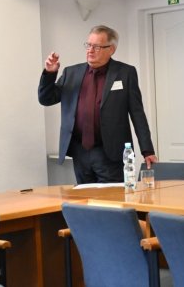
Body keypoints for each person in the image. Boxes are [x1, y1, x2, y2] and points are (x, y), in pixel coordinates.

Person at [38, 25, 157, 184]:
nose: (90, 50)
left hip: (110, 153)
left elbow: (137, 113)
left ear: (111, 49)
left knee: (113, 198)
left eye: (97, 47)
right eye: (88, 45)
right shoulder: (71, 73)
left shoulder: (125, 73)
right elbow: (46, 99)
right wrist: (49, 73)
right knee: (85, 197)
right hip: (80, 152)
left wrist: (147, 150)